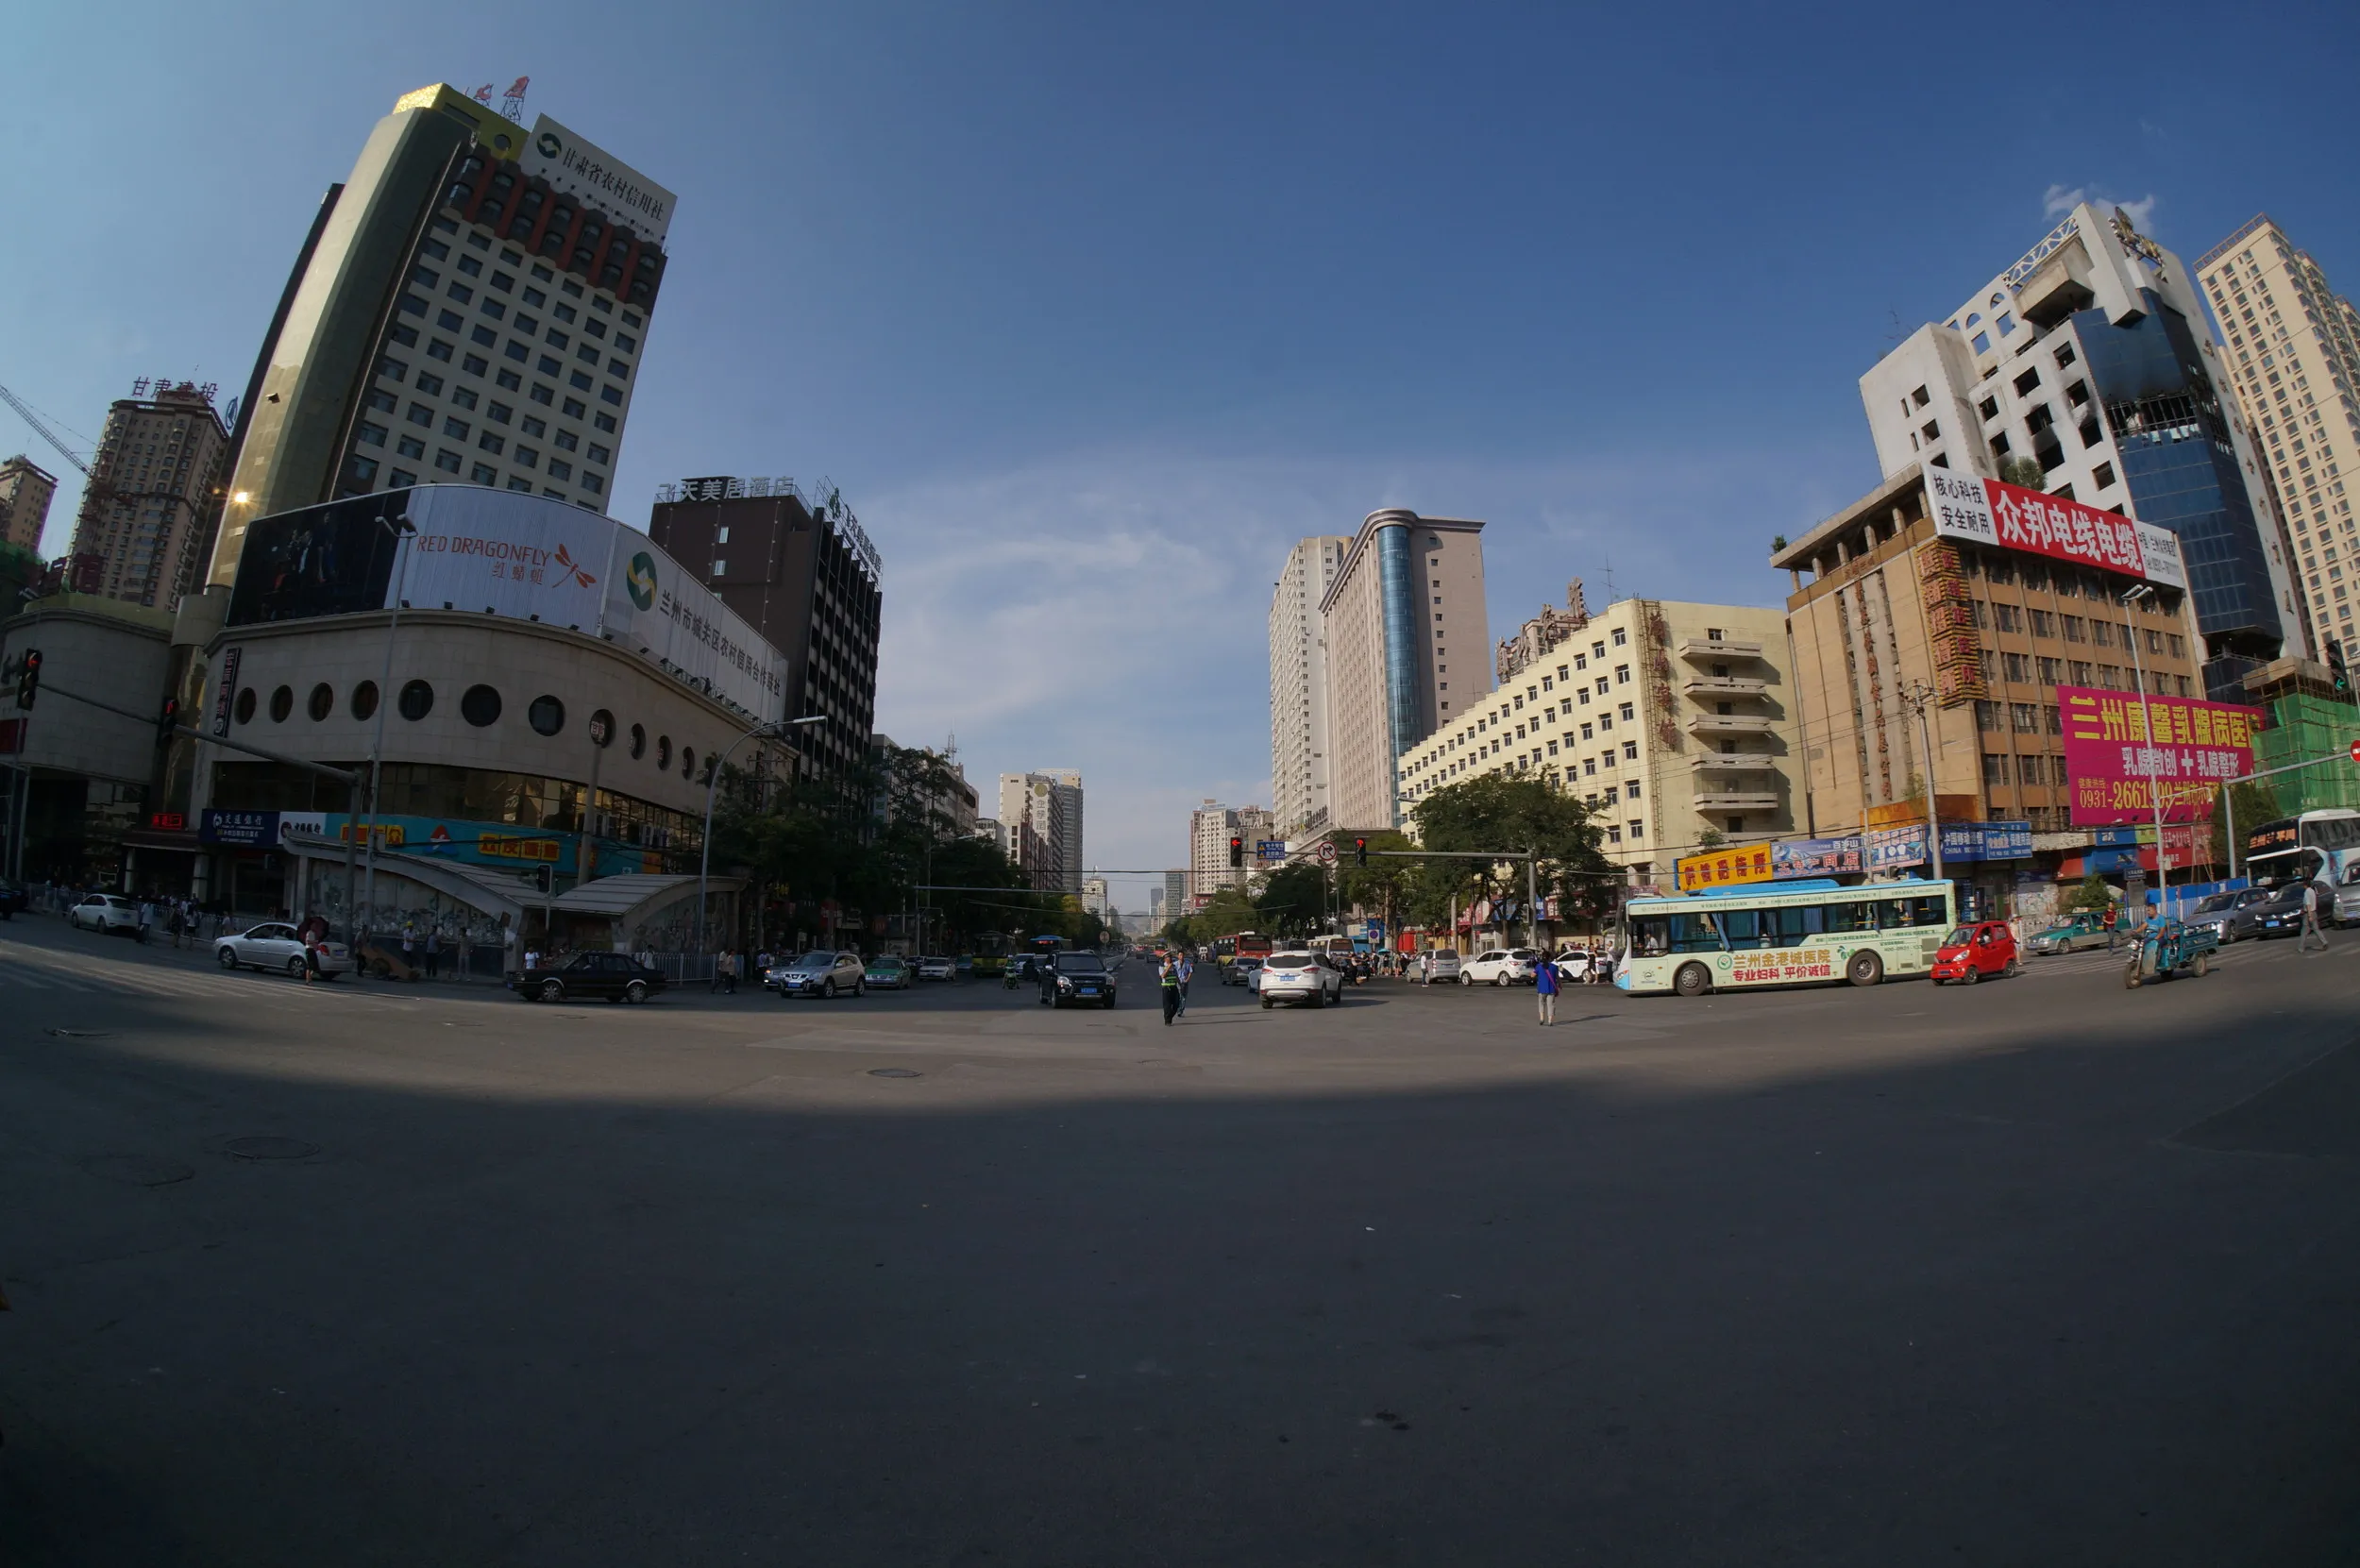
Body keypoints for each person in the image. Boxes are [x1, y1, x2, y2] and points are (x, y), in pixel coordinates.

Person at [2300, 878, 2330, 953]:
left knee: (2304, 931)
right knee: (2316, 929)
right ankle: (2324, 942)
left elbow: (2308, 904)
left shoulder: (2306, 892)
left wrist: (2309, 915)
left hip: (2309, 913)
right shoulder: (2312, 891)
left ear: (2305, 885)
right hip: (2314, 912)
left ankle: (2301, 948)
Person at [1535, 947, 1560, 1025]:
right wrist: (1559, 985)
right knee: (1551, 1005)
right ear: (1550, 958)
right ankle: (1550, 1021)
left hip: (1541, 989)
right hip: (1551, 989)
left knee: (1541, 1003)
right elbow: (1557, 977)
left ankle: (1542, 1018)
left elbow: (1532, 975)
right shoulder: (1554, 967)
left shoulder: (1539, 966)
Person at [1159, 953, 1182, 1025]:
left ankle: (1169, 1016)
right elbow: (1163, 976)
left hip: (1174, 987)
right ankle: (1167, 1021)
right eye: (1168, 957)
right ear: (1165, 958)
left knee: (1177, 1004)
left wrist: (1180, 985)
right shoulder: (1162, 967)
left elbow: (1176, 976)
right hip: (1166, 988)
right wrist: (1168, 967)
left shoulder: (1174, 966)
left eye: (1170, 957)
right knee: (1167, 1006)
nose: (1170, 958)